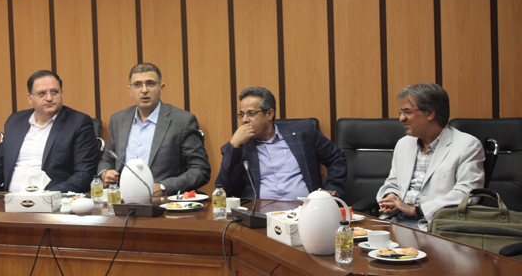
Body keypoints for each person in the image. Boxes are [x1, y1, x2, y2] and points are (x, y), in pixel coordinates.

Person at [377, 83, 485, 230]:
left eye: (407, 111)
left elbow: (467, 194)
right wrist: (391, 196)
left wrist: (417, 210)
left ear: (430, 113)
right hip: (395, 222)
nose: (401, 118)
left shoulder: (467, 145)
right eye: (401, 112)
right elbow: (394, 182)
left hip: (435, 226)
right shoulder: (404, 143)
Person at [0, 70, 100, 193]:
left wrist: (48, 194)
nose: (49, 98)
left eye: (54, 92)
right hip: (11, 200)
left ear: (61, 94)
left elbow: (84, 173)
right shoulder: (15, 121)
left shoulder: (78, 123)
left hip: (54, 201)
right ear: (30, 98)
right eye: (42, 93)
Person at [215, 87, 347, 201]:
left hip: (305, 211)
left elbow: (336, 158)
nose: (244, 120)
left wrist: (332, 189)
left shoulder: (302, 131)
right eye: (242, 114)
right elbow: (224, 189)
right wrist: (234, 146)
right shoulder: (240, 147)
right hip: (259, 214)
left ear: (269, 114)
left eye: (251, 114)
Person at [98, 63, 210, 196]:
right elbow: (107, 159)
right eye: (137, 85)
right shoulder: (119, 120)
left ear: (161, 88)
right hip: (121, 199)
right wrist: (105, 173)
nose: (144, 90)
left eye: (150, 84)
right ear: (130, 90)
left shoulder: (182, 121)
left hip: (162, 202)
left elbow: (200, 169)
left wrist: (164, 187)